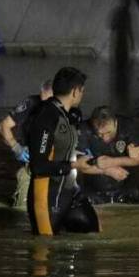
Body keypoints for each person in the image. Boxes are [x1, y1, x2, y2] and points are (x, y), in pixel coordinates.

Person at [24, 67, 107, 235]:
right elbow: (38, 167)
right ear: (75, 91)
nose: (83, 95)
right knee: (45, 251)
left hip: (70, 194)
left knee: (94, 236)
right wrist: (75, 165)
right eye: (82, 91)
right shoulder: (46, 116)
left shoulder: (68, 115)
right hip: (46, 199)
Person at [0, 79, 52, 209]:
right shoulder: (31, 103)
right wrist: (16, 148)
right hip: (30, 168)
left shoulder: (66, 109)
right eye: (43, 99)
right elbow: (2, 126)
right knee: (22, 211)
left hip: (53, 169)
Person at [77, 106, 139, 203]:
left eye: (108, 132)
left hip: (125, 187)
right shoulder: (83, 129)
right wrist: (106, 171)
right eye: (100, 134)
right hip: (93, 190)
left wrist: (112, 162)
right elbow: (77, 163)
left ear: (116, 123)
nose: (105, 138)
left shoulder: (128, 126)